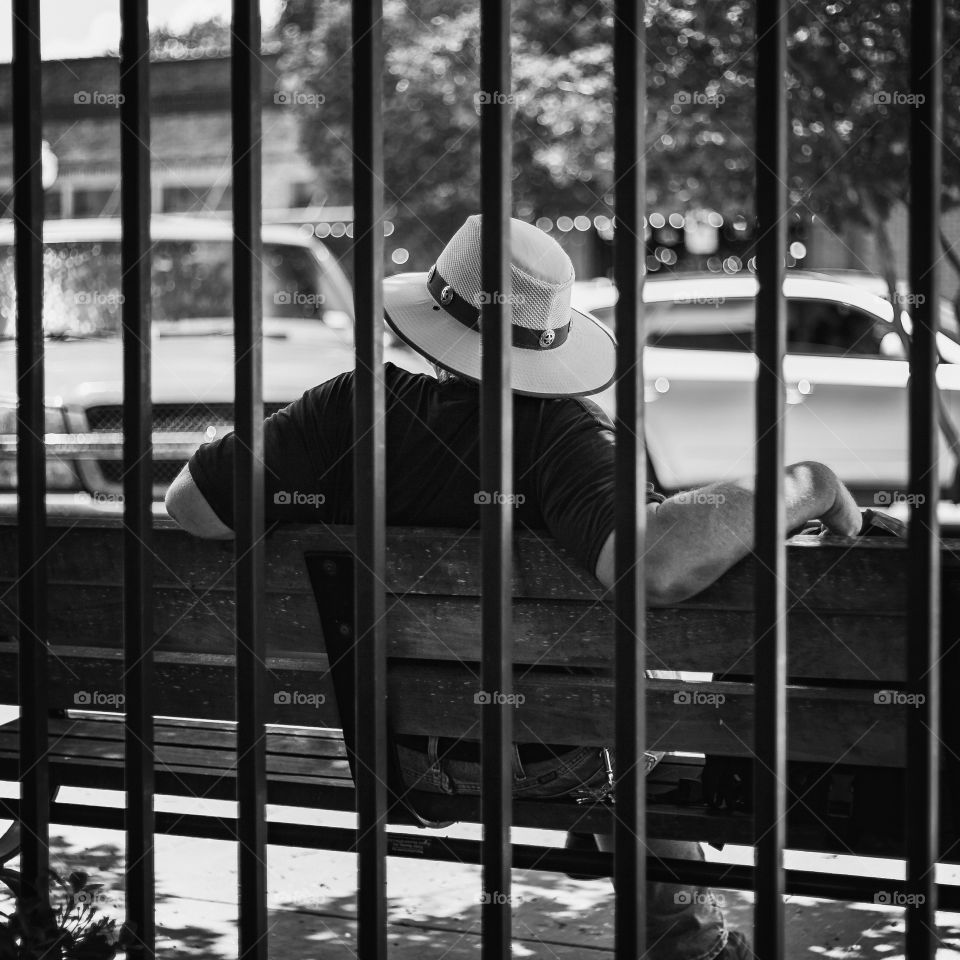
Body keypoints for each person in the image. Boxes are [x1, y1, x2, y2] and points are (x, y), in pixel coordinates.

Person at [167, 214, 863, 960]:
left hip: (390, 745)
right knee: (637, 715)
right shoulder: (563, 436)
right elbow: (653, 568)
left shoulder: (345, 410)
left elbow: (191, 508)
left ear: (437, 315)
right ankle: (687, 944)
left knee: (615, 709)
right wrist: (808, 485)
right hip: (556, 759)